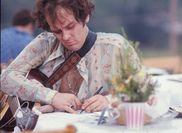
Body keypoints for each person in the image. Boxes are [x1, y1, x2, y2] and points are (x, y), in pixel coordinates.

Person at [1, 0, 141, 114]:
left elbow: (144, 90)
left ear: (85, 16)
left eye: (70, 26)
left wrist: (110, 100)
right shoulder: (45, 43)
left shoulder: (116, 46)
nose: (66, 37)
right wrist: (52, 97)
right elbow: (6, 78)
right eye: (57, 31)